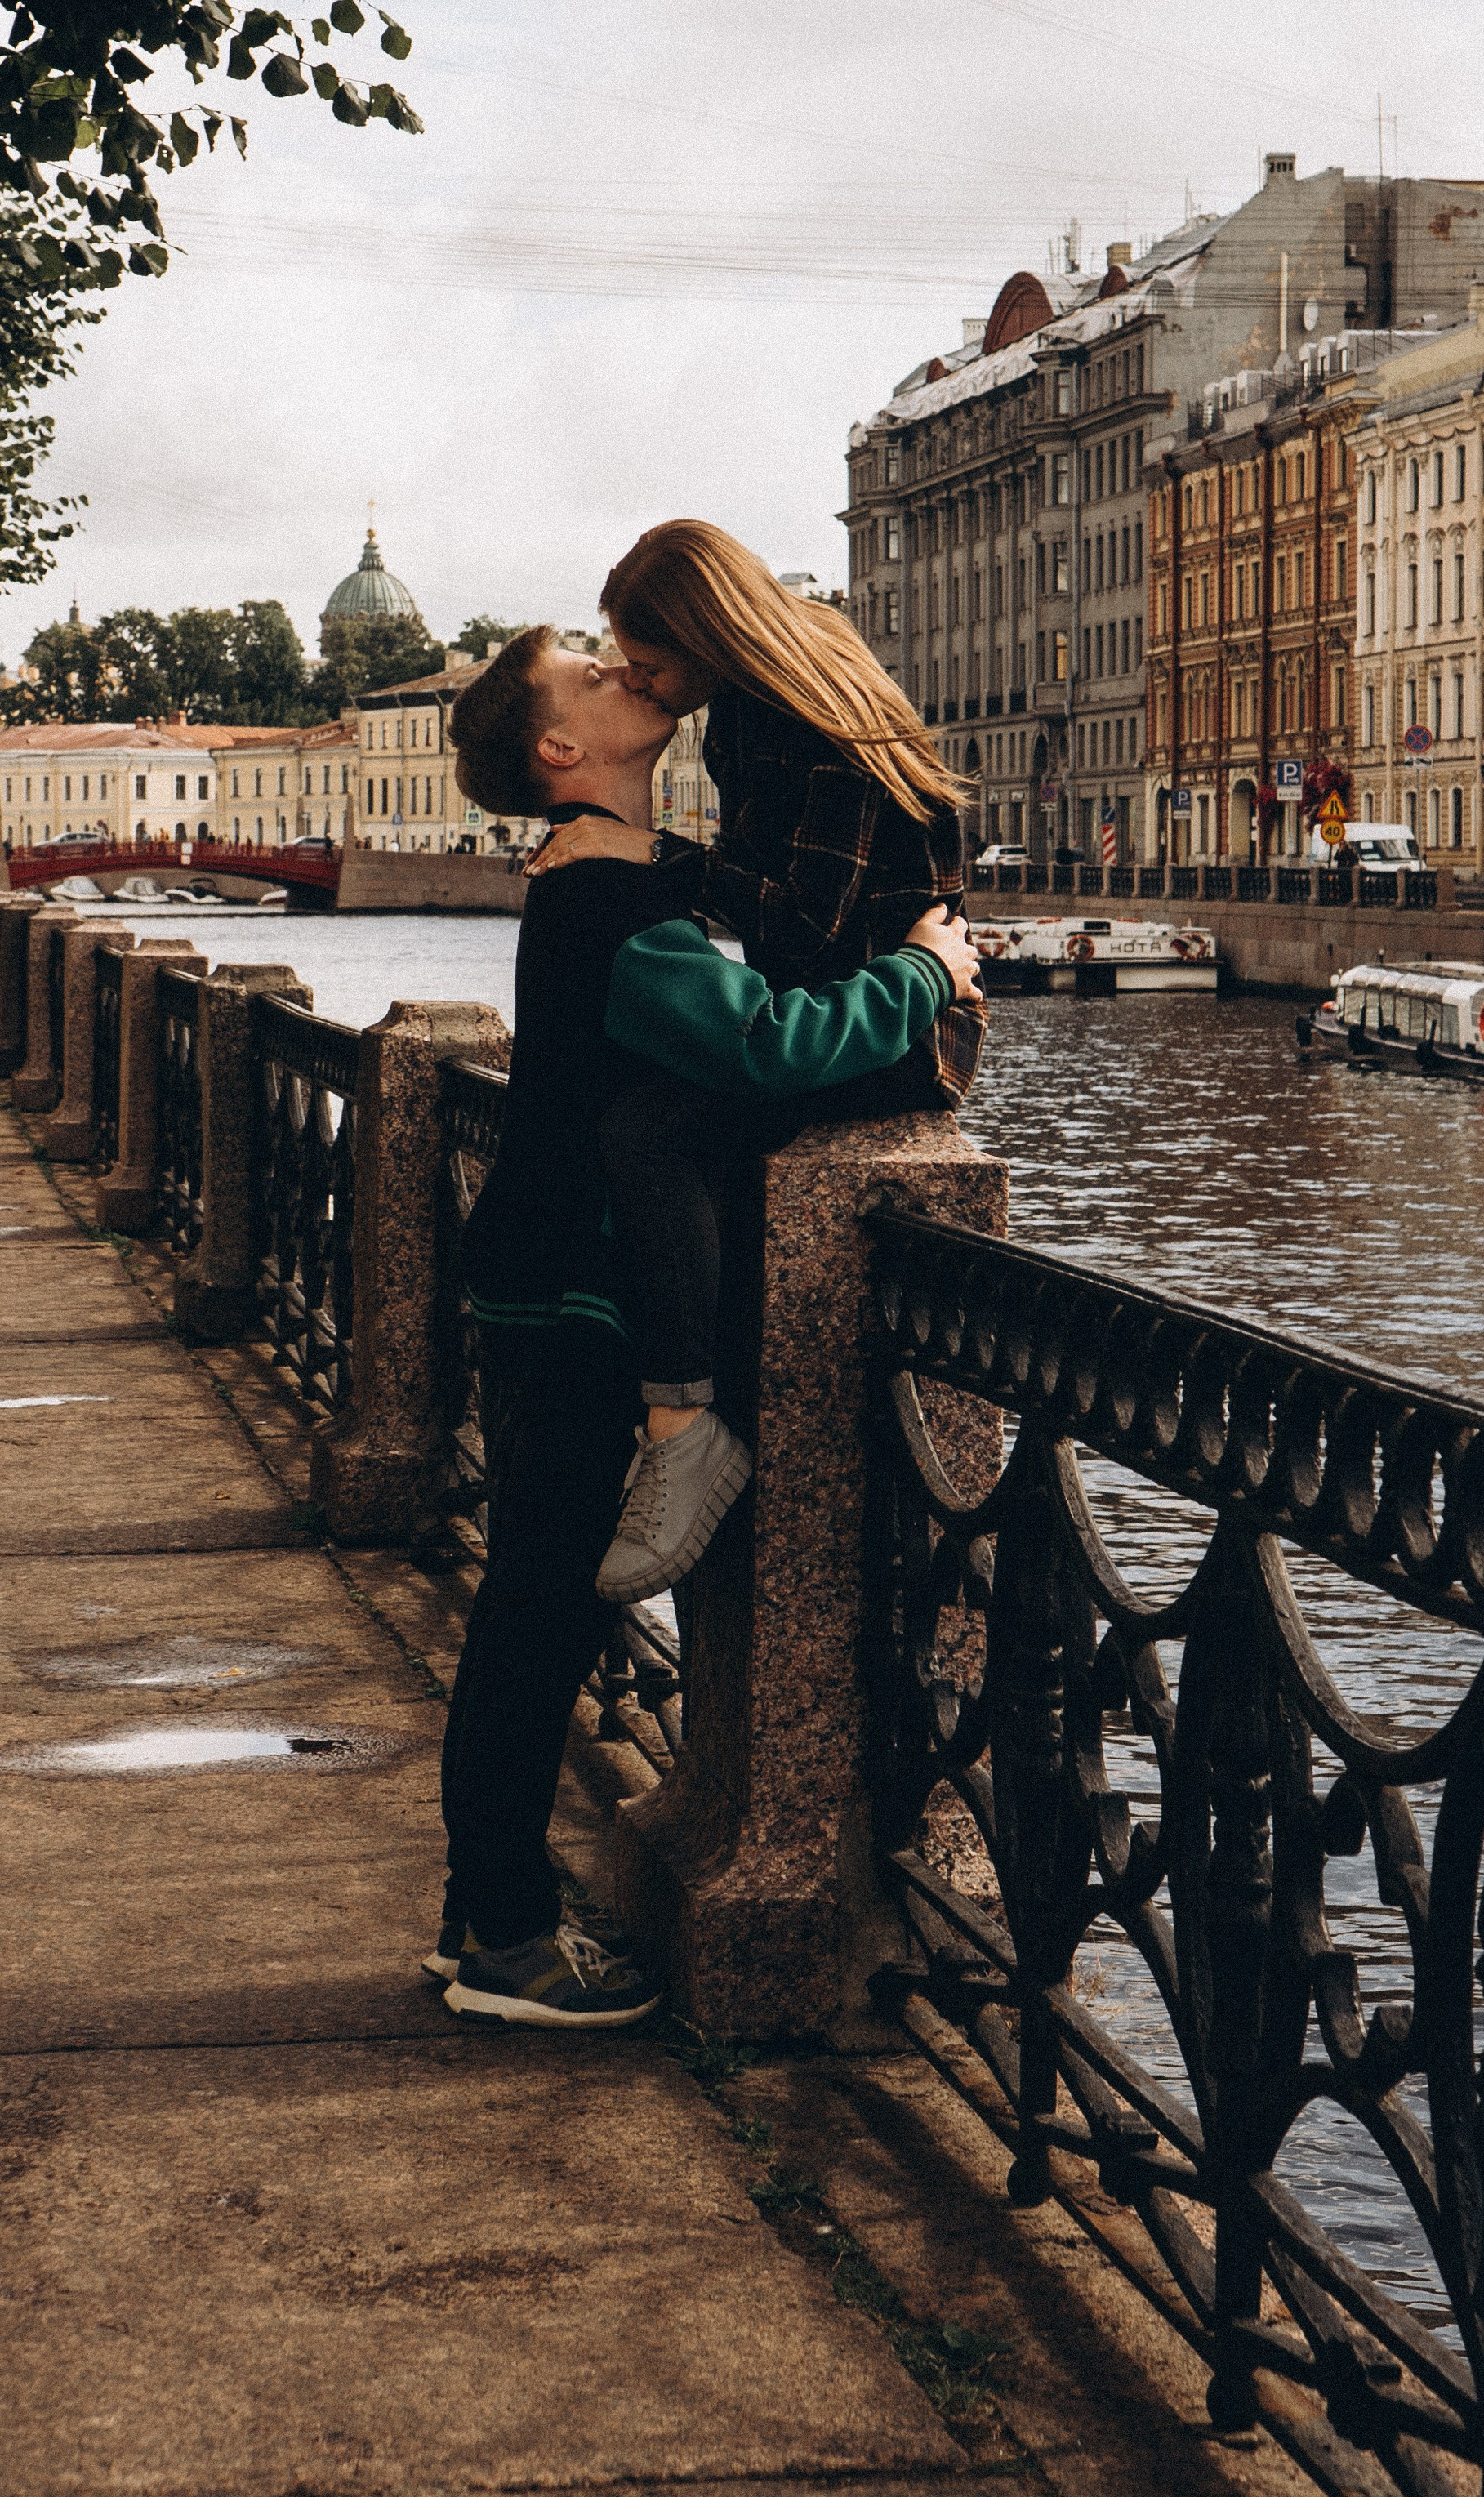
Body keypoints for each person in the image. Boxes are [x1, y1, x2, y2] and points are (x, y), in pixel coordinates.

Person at [435, 628, 981, 2030]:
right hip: (570, 1293)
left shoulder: (609, 872)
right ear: (562, 750)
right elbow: (767, 1044)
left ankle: (481, 1916)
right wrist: (924, 972)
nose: (625, 673)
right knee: (537, 1616)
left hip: (543, 1276)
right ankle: (501, 1938)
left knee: (530, 1607)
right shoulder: (609, 906)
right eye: (590, 671)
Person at [528, 522, 981, 1605]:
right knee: (658, 1113)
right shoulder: (757, 697)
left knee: (647, 1128)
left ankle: (683, 1429)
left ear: (707, 635)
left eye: (651, 664)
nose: (640, 682)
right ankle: (682, 1413)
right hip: (848, 1010)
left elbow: (812, 928)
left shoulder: (807, 719)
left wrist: (649, 860)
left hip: (899, 1030)